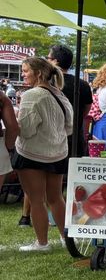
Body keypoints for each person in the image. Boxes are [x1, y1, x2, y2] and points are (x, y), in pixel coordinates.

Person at [12, 56, 73, 251]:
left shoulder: (32, 95)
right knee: (56, 198)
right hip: (58, 152)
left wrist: (15, 120)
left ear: (38, 73)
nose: (23, 74)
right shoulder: (59, 94)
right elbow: (69, 127)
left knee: (36, 199)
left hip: (31, 153)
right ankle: (66, 239)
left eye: (25, 71)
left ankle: (42, 243)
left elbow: (26, 130)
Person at [47, 44, 92, 158]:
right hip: (75, 139)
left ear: (55, 61)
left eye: (48, 58)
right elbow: (85, 111)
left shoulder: (46, 84)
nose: (46, 61)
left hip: (50, 139)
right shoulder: (83, 85)